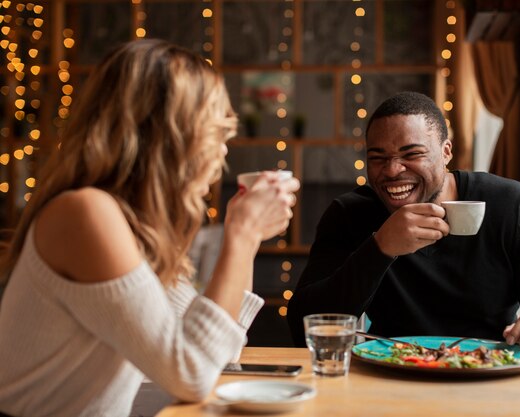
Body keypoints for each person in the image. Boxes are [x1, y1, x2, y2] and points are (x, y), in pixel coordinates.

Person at [0, 39, 299, 416]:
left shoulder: (134, 228)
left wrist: (246, 239)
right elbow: (192, 373)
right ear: (170, 134)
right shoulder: (86, 213)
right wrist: (240, 236)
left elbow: (220, 349)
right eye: (216, 131)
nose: (224, 151)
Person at [287, 91, 520, 358]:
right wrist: (379, 248)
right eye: (378, 158)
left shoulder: (512, 205)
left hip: (491, 373)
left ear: (446, 152)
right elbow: (304, 327)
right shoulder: (350, 214)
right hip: (391, 374)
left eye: (412, 154)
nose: (392, 170)